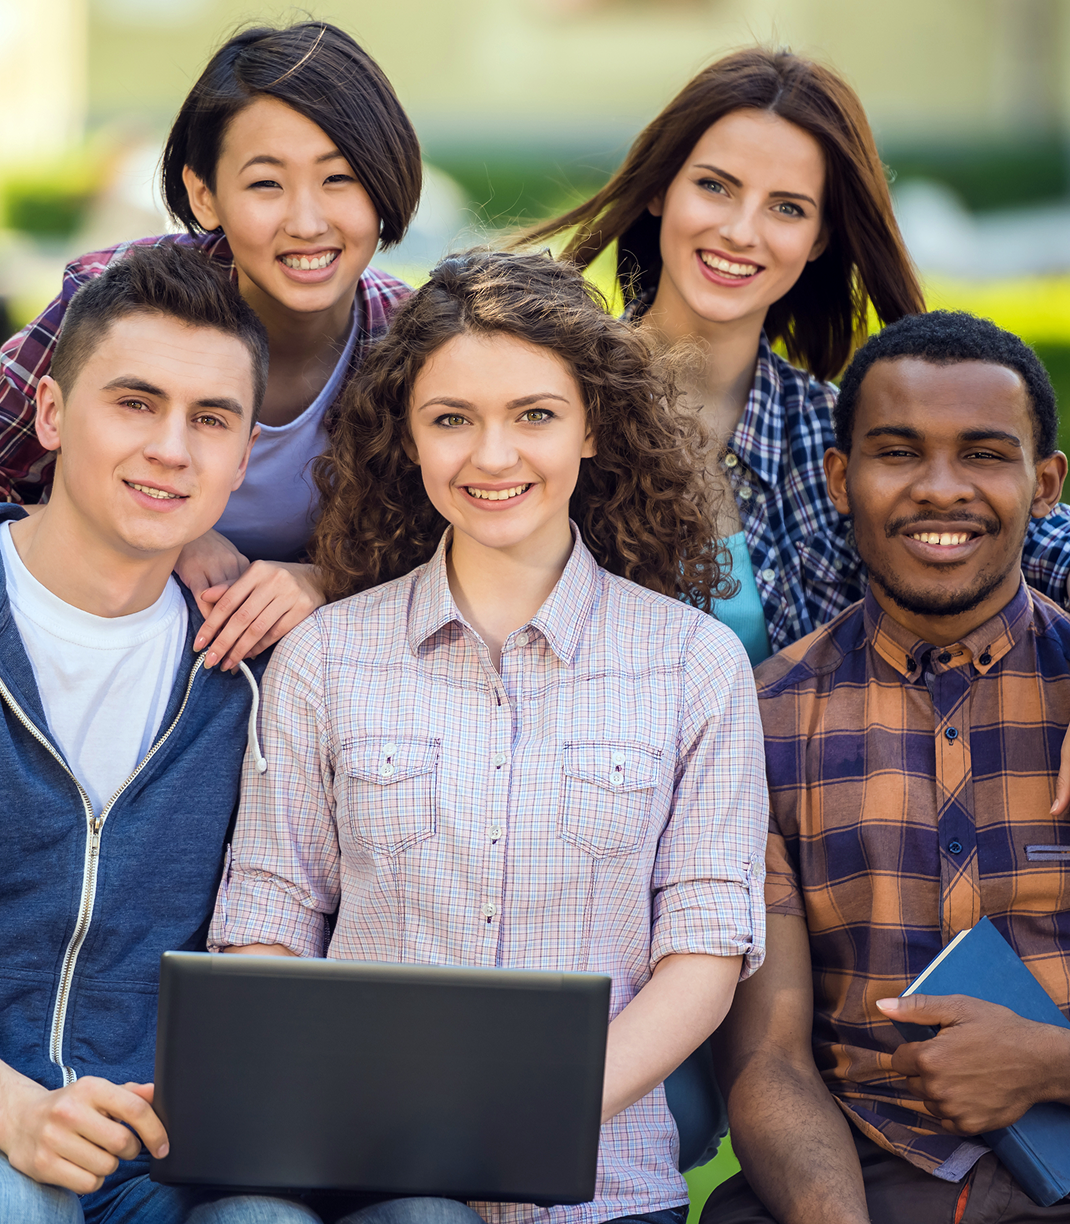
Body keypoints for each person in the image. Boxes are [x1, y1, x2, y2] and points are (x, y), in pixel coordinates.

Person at [207, 250, 769, 1224]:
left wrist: (517, 1121)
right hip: (368, 1178)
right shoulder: (327, 659)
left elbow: (704, 956)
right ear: (408, 437)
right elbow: (269, 920)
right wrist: (377, 1124)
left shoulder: (695, 664)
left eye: (533, 416)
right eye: (451, 420)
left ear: (593, 426)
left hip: (602, 1189)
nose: (492, 456)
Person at [522, 47, 1070, 664]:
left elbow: (1039, 534)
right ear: (659, 190)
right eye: (714, 186)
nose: (741, 230)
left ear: (819, 238)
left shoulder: (832, 435)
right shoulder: (548, 402)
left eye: (787, 207)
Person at [707, 311, 1070, 1224]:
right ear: (840, 478)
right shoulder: (759, 721)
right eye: (898, 452)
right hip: (863, 1174)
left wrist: (1046, 1062)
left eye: (985, 454)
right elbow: (770, 1057)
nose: (941, 490)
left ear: (1047, 483)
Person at [0, 241, 281, 1222]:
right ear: (49, 413)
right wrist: (16, 1112)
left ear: (243, 457)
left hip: (156, 1163)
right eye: (135, 402)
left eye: (211, 420)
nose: (172, 448)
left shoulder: (253, 682)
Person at [0, 19, 420, 674]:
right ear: (205, 194)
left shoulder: (409, 340)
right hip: (95, 635)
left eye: (339, 179)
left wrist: (327, 581)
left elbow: (455, 539)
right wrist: (158, 528)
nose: (307, 222)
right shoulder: (118, 302)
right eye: (265, 184)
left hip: (293, 676)